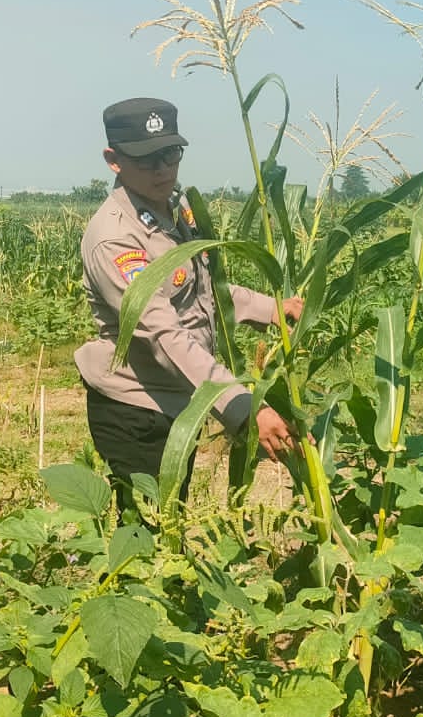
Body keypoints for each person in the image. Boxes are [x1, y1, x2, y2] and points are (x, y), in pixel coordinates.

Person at [75, 97, 302, 512]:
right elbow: (165, 336)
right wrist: (242, 406)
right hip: (136, 409)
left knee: (170, 527)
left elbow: (199, 290)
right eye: (146, 159)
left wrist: (271, 308)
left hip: (180, 400)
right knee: (147, 540)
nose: (162, 168)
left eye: (171, 154)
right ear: (114, 159)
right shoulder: (117, 238)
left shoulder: (172, 210)